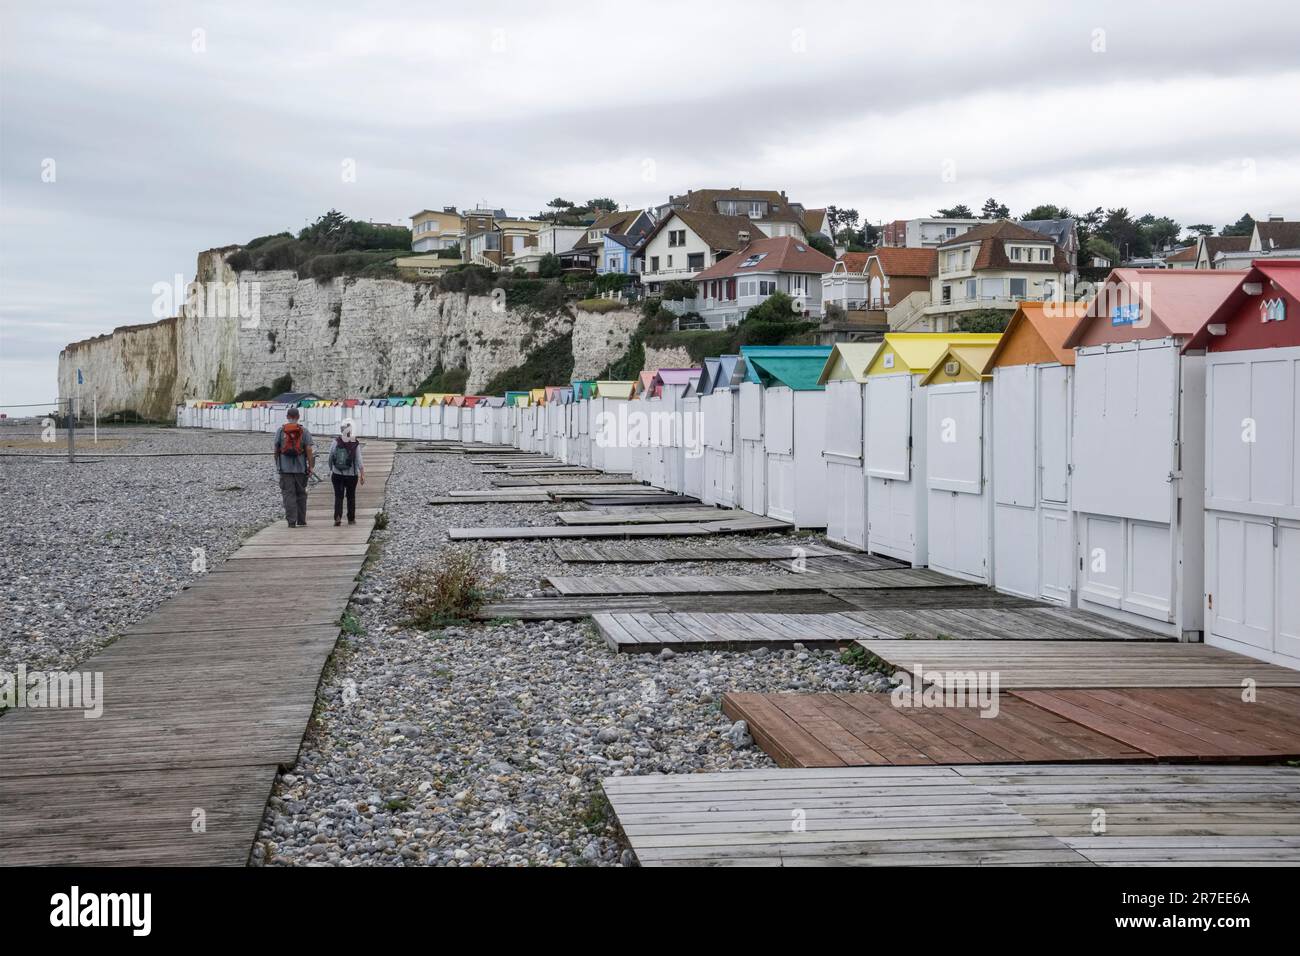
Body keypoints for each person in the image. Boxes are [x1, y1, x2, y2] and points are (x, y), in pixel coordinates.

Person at [273, 406, 315, 527]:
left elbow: (276, 450)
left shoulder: (281, 431)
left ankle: (291, 521)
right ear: (298, 417)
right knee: (301, 494)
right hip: (300, 469)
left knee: (288, 494)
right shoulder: (304, 431)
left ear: (287, 417)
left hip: (285, 469)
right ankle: (301, 520)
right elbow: (308, 449)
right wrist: (310, 466)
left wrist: (277, 464)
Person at [326, 417, 365, 526]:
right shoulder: (355, 443)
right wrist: (362, 474)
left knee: (338, 496)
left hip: (337, 474)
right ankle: (351, 519)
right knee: (351, 496)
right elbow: (359, 460)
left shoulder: (335, 442)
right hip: (352, 475)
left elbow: (330, 457)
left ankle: (337, 518)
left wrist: (331, 469)